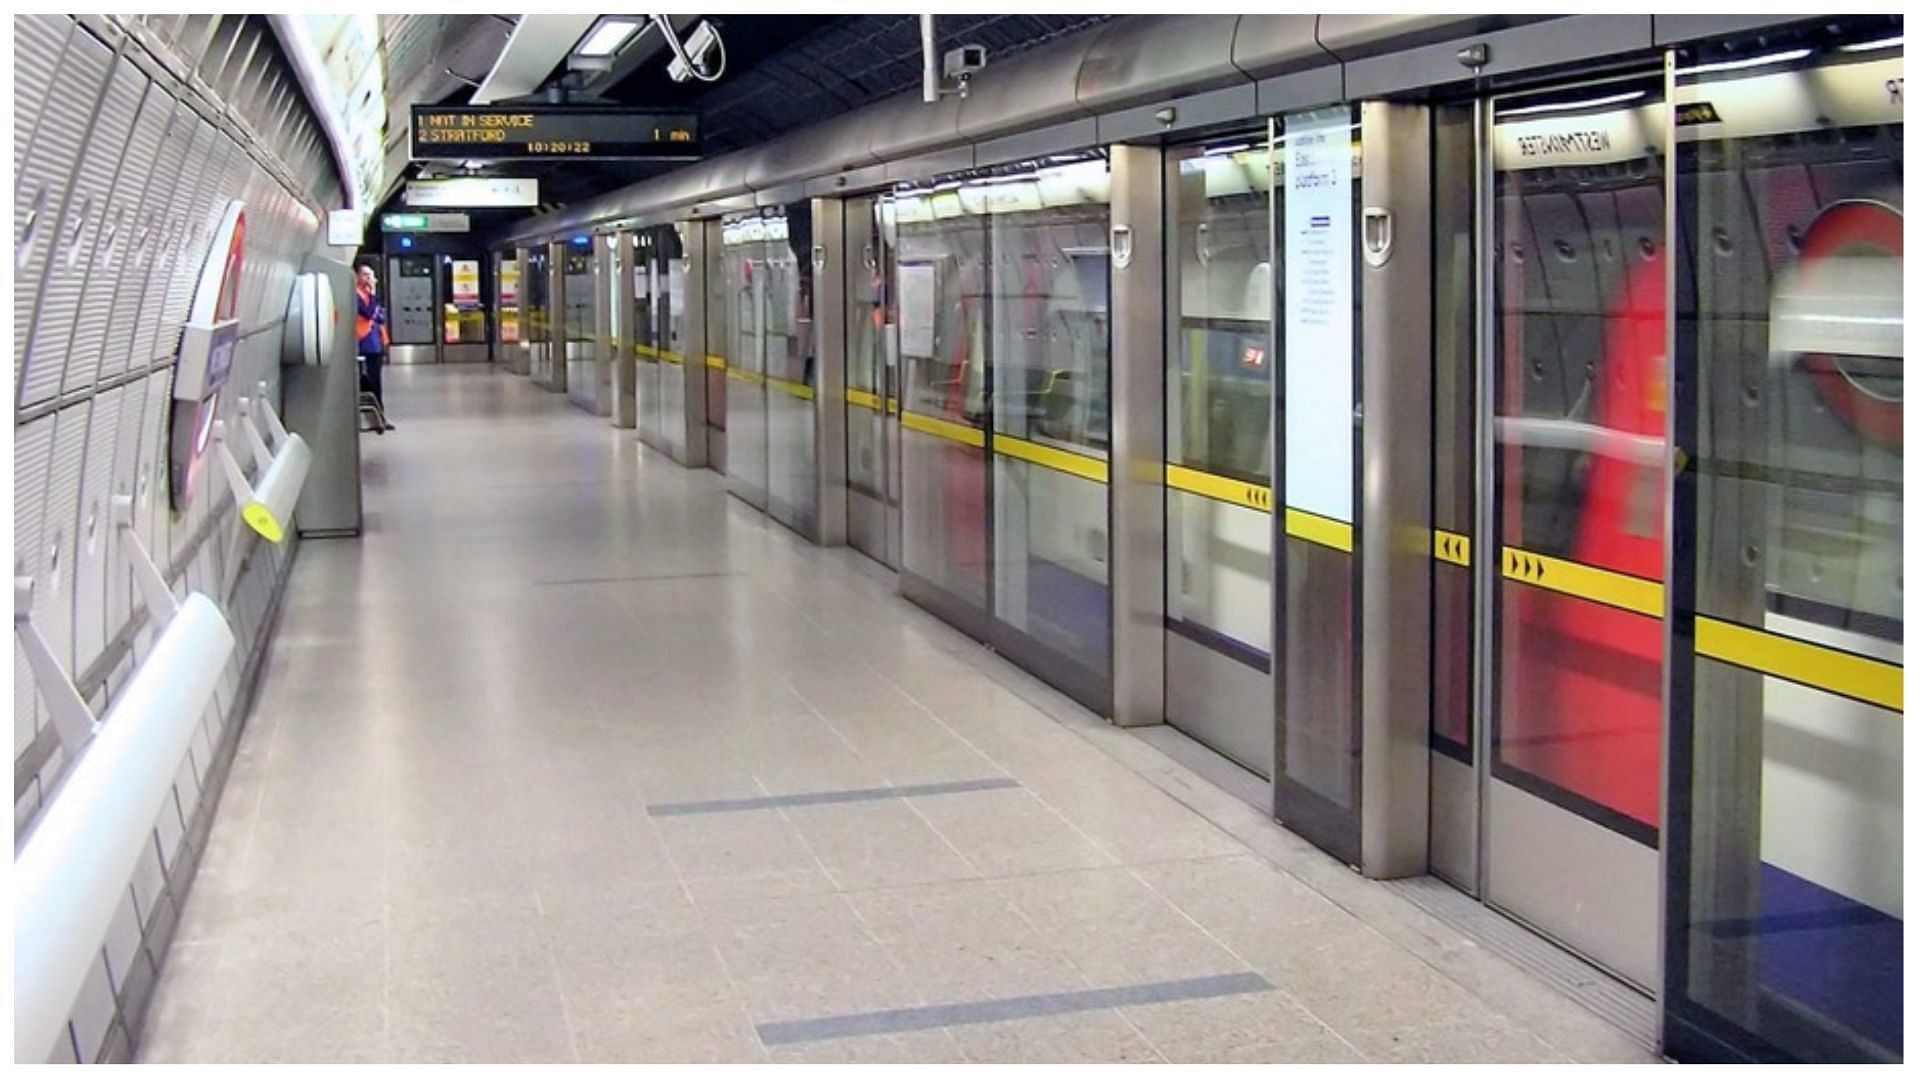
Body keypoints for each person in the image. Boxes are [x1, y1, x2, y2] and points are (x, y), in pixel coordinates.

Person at [355, 263, 394, 430]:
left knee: (376, 382)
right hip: (362, 343)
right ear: (357, 277)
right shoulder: (356, 295)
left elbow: (380, 316)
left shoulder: (369, 295)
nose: (369, 279)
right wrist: (373, 292)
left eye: (371, 275)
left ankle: (380, 417)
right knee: (366, 382)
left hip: (374, 343)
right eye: (365, 275)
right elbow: (369, 312)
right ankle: (369, 417)